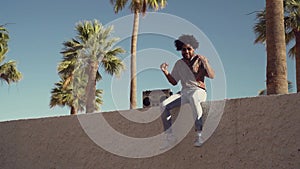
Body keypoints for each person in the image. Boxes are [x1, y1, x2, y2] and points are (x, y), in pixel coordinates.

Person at [160, 34, 215, 148]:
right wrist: (165, 72)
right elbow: (174, 82)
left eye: (189, 49)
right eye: (184, 49)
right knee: (164, 105)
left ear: (193, 48)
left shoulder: (200, 60)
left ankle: (200, 134)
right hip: (184, 92)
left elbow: (211, 75)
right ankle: (170, 137)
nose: (186, 51)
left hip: (199, 90)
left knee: (194, 97)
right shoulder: (179, 63)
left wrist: (206, 63)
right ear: (180, 50)